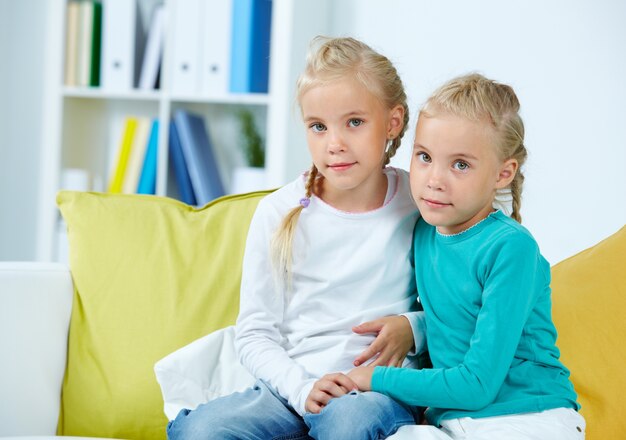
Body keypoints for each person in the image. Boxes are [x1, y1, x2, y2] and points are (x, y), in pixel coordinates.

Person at [167, 36, 426, 440]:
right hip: (292, 390)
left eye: (354, 122)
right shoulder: (279, 211)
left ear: (392, 122)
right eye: (318, 126)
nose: (335, 143)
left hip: (374, 391)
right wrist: (301, 388)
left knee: (349, 424)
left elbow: (461, 310)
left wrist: (414, 327)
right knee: (200, 430)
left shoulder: (419, 204)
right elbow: (254, 333)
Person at [348, 73, 586, 439]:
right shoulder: (425, 230)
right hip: (454, 419)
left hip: (528, 416)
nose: (434, 180)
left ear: (503, 173)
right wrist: (411, 328)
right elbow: (454, 318)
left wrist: (372, 377)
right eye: (424, 157)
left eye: (460, 164)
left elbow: (477, 384)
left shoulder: (511, 248)